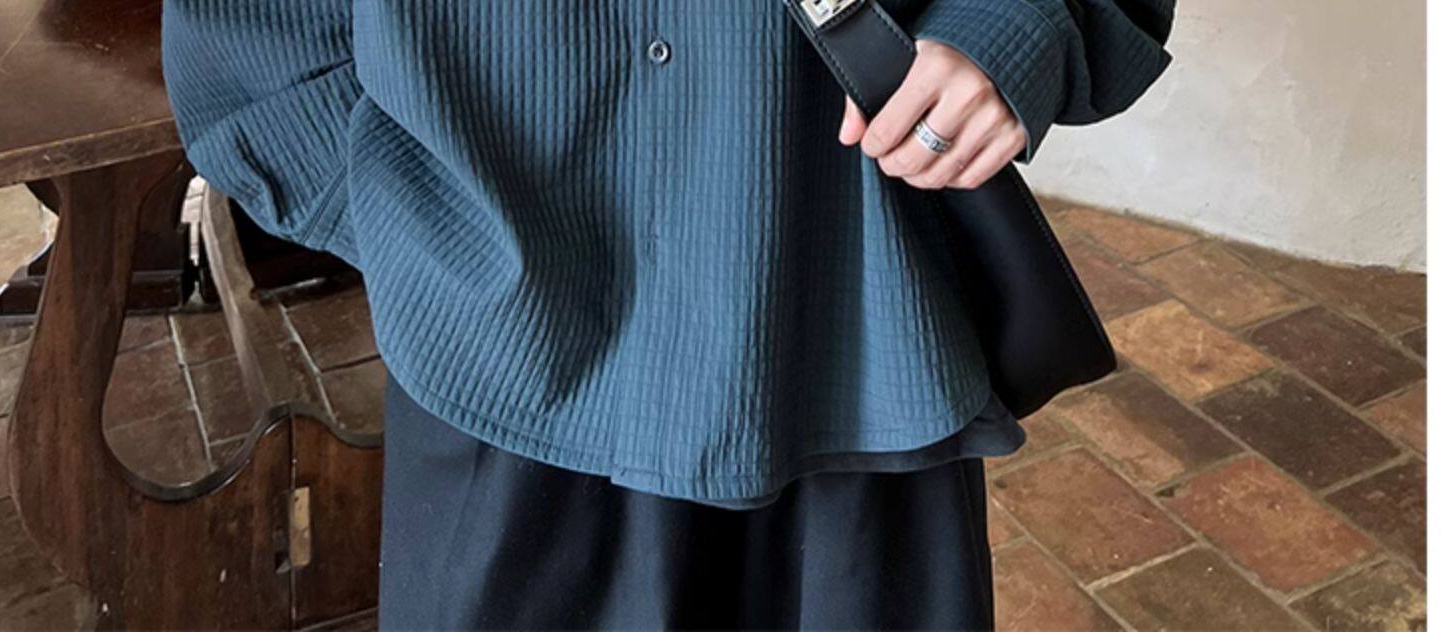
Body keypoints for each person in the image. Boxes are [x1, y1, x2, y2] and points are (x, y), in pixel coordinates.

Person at [163, 1, 1174, 628]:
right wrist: (410, 224)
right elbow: (250, 40)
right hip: (502, 363)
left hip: (847, 323)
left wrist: (1012, 24)